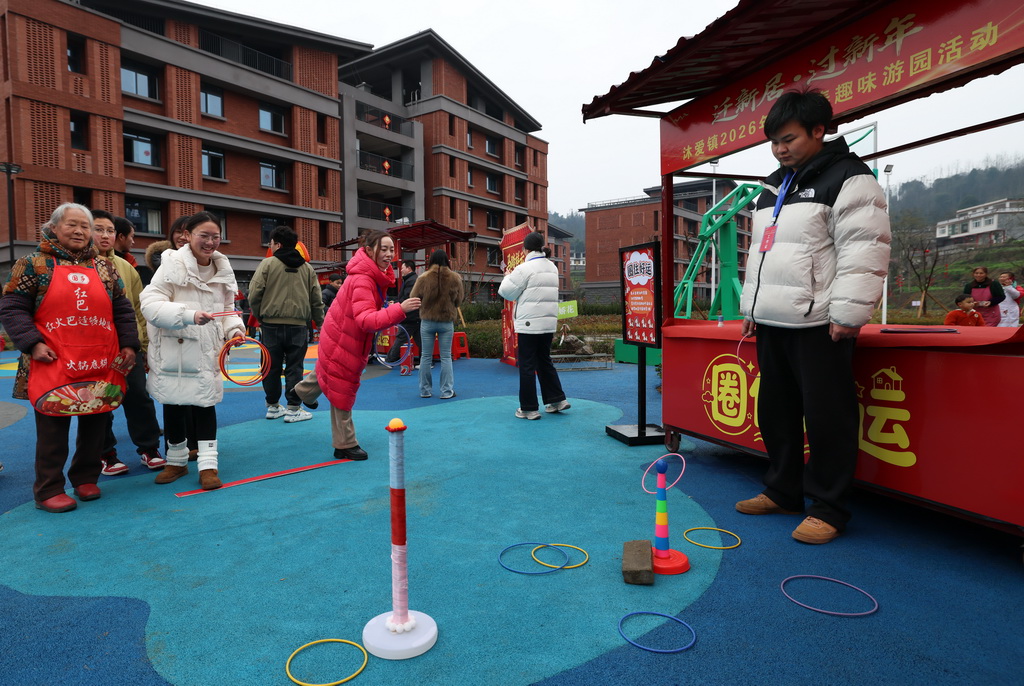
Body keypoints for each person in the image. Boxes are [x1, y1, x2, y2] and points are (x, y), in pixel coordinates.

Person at [736, 89, 891, 545]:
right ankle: (783, 491)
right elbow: (759, 256)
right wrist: (752, 309)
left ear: (819, 130)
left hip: (821, 322)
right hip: (773, 319)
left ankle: (828, 506)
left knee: (828, 417)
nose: (779, 149)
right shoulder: (773, 186)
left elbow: (865, 250)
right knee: (775, 411)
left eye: (788, 139)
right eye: (773, 142)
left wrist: (847, 313)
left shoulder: (850, 178)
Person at [0, 203, 140, 512]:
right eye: (71, 225)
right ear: (53, 228)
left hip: (99, 361)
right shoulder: (33, 263)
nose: (79, 231)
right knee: (52, 428)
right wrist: (32, 344)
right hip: (51, 359)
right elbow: (11, 307)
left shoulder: (104, 267)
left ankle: (86, 478)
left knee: (96, 422)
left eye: (85, 226)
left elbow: (122, 308)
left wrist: (129, 344)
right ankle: (48, 489)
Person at [140, 211, 245, 490]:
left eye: (216, 237)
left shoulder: (223, 268)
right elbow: (149, 303)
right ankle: (176, 462)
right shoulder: (171, 263)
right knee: (174, 406)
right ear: (188, 236)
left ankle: (208, 466)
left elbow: (227, 309)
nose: (210, 242)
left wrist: (235, 329)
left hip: (206, 350)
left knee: (205, 406)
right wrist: (188, 315)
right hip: (175, 348)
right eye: (204, 236)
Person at [309, 231, 419, 461]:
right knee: (343, 389)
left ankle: (299, 391)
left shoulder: (374, 274)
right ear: (369, 250)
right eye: (384, 249)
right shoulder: (364, 278)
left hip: (344, 332)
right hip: (345, 335)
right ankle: (345, 444)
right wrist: (400, 309)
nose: (389, 254)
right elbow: (366, 320)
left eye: (392, 249)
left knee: (331, 370)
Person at [91, 210, 166, 474]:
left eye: (110, 230)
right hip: (93, 350)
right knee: (99, 403)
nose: (105, 235)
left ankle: (149, 448)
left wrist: (143, 346)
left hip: (127, 346)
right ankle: (106, 455)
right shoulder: (74, 267)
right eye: (98, 229)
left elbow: (138, 309)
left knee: (139, 398)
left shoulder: (125, 267)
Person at [247, 225, 325, 422]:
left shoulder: (267, 264)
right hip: (298, 325)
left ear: (277, 244)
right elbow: (316, 299)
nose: (270, 246)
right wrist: (320, 323)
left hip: (271, 324)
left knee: (269, 367)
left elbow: (254, 294)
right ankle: (293, 408)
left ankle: (273, 406)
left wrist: (261, 317)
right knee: (294, 366)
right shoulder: (307, 269)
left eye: (271, 243)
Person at [498, 230, 570, 420]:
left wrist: (507, 276)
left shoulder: (524, 269)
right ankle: (557, 399)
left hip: (529, 325)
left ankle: (529, 408)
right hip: (547, 323)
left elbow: (507, 292)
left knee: (528, 365)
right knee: (545, 361)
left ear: (525, 249)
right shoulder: (552, 267)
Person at [410, 250, 463, 398]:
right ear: (447, 260)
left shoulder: (423, 278)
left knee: (425, 356)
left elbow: (413, 297)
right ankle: (446, 391)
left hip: (427, 321)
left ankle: (425, 390)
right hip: (446, 322)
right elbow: (459, 301)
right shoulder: (455, 278)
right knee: (446, 357)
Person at [386, 260, 421, 365]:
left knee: (401, 337)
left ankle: (391, 359)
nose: (401, 270)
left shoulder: (411, 281)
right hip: (415, 316)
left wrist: (396, 304)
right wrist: (396, 302)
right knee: (419, 340)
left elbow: (407, 297)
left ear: (409, 268)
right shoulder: (412, 279)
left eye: (402, 268)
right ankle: (426, 360)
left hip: (410, 315)